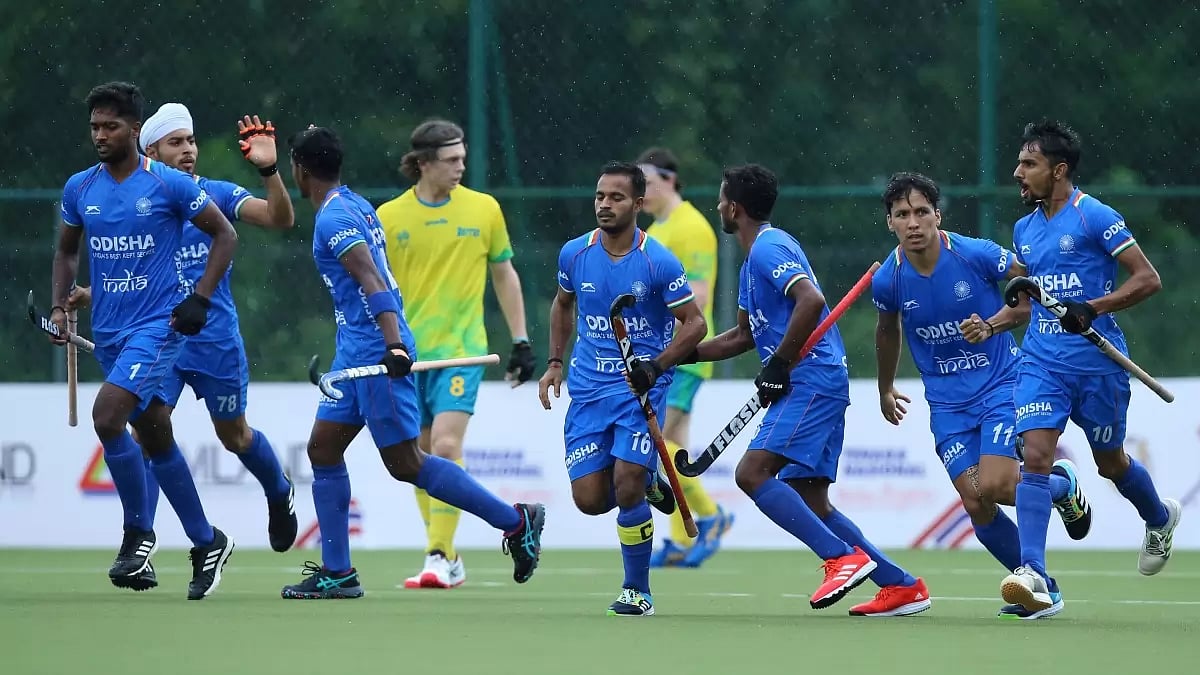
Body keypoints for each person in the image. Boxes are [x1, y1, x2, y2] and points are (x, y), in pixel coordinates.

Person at [279, 126, 545, 599]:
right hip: (355, 352)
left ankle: (515, 521)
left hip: (375, 353)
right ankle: (338, 572)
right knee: (323, 449)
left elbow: (371, 278)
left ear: (299, 170)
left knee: (407, 463)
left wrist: (394, 344)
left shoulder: (333, 218)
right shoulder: (356, 204)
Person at [68, 104, 298, 582]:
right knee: (147, 433)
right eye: (176, 142)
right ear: (150, 150)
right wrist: (89, 294)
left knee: (234, 436)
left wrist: (269, 170)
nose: (189, 149)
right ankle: (141, 547)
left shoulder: (213, 193)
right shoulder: (137, 195)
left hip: (214, 340)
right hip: (161, 336)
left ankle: (278, 492)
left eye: (191, 140)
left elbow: (280, 218)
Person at [685, 164, 928, 616]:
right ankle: (901, 585)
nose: (718, 206)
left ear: (733, 208)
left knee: (752, 473)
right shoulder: (754, 259)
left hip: (810, 378)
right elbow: (742, 337)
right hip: (816, 380)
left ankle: (840, 558)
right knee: (811, 499)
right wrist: (674, 356)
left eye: (721, 199)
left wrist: (779, 363)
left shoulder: (768, 247)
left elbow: (811, 301)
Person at [872, 171, 1089, 619]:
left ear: (937, 215)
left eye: (921, 212)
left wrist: (991, 324)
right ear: (889, 222)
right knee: (976, 501)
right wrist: (885, 386)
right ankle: (1043, 588)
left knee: (995, 483)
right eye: (902, 215)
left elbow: (1028, 297)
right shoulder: (888, 279)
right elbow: (887, 332)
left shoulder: (976, 253)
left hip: (1000, 386)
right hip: (946, 405)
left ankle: (1059, 487)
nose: (913, 223)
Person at [51, 81, 237, 599]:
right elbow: (66, 253)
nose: (100, 136)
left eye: (111, 127)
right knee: (154, 434)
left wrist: (200, 298)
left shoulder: (168, 184)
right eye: (95, 127)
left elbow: (226, 234)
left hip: (158, 328)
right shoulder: (79, 188)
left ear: (135, 130)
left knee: (107, 417)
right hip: (109, 331)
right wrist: (60, 305)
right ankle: (208, 541)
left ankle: (137, 535)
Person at [996, 120, 1181, 614]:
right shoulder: (1024, 229)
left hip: (1098, 365)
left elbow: (1147, 279)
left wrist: (1093, 308)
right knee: (1037, 456)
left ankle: (1159, 518)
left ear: (1059, 170)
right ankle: (1032, 573)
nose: (1018, 173)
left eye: (1029, 164)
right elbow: (1026, 295)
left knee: (1110, 463)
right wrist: (1003, 309)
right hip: (1041, 362)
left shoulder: (1095, 216)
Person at [538, 162, 706, 616]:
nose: (605, 205)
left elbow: (695, 323)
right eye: (600, 196)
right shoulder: (575, 254)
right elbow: (563, 305)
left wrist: (657, 366)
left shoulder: (658, 261)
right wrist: (554, 364)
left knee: (626, 485)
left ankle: (637, 591)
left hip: (639, 391)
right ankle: (648, 480)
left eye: (616, 197)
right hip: (589, 390)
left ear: (638, 203)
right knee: (590, 500)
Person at [377, 119, 536, 589]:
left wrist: (521, 340)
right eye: (451, 160)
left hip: (463, 352)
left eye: (463, 158)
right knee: (418, 457)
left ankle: (438, 554)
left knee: (446, 446)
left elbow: (504, 274)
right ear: (423, 163)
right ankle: (448, 554)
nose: (461, 167)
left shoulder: (484, 209)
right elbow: (374, 287)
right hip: (408, 356)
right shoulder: (388, 216)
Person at [637, 147, 733, 568]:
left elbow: (700, 297)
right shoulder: (657, 228)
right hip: (663, 354)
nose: (641, 193)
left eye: (646, 183)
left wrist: (667, 354)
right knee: (674, 448)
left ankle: (711, 515)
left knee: (658, 442)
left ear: (670, 180)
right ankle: (681, 536)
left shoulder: (690, 226)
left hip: (680, 355)